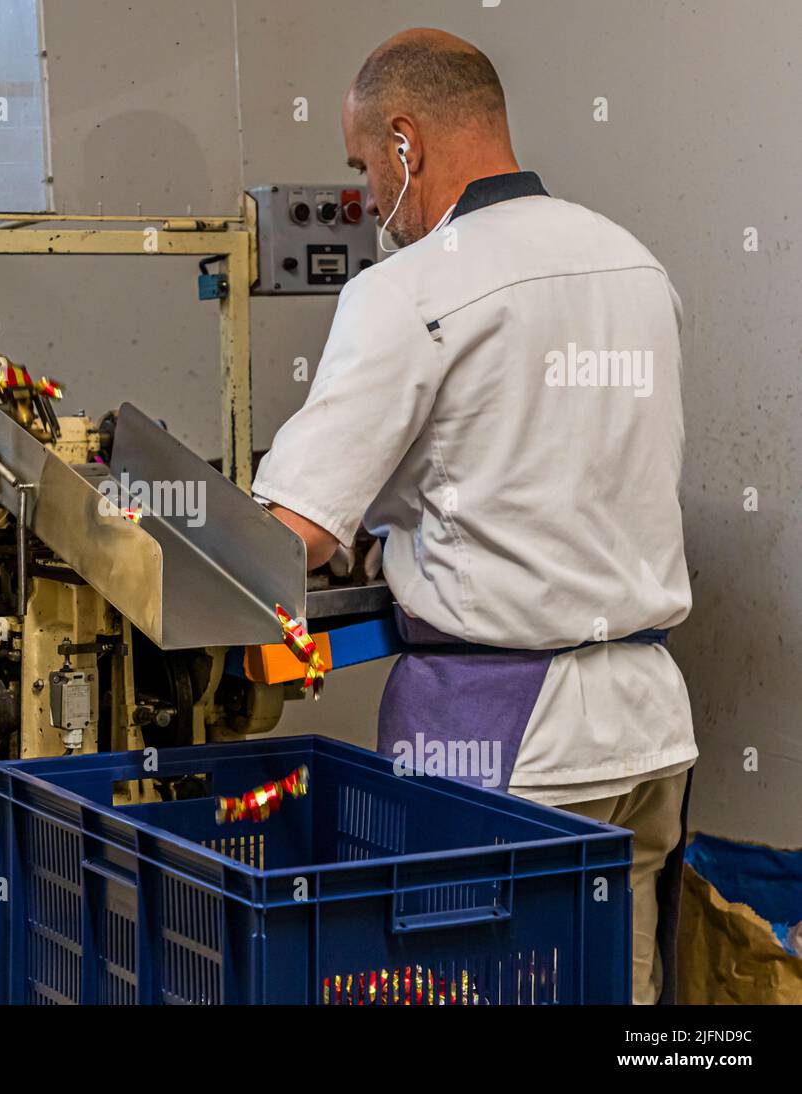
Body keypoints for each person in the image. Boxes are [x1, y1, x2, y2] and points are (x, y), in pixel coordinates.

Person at [251, 28, 695, 1004]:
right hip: (649, 726)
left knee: (471, 984)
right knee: (608, 986)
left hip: (504, 737)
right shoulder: (632, 265)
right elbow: (542, 454)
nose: (367, 195)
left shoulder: (407, 291)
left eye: (364, 165)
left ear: (405, 141)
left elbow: (288, 535)